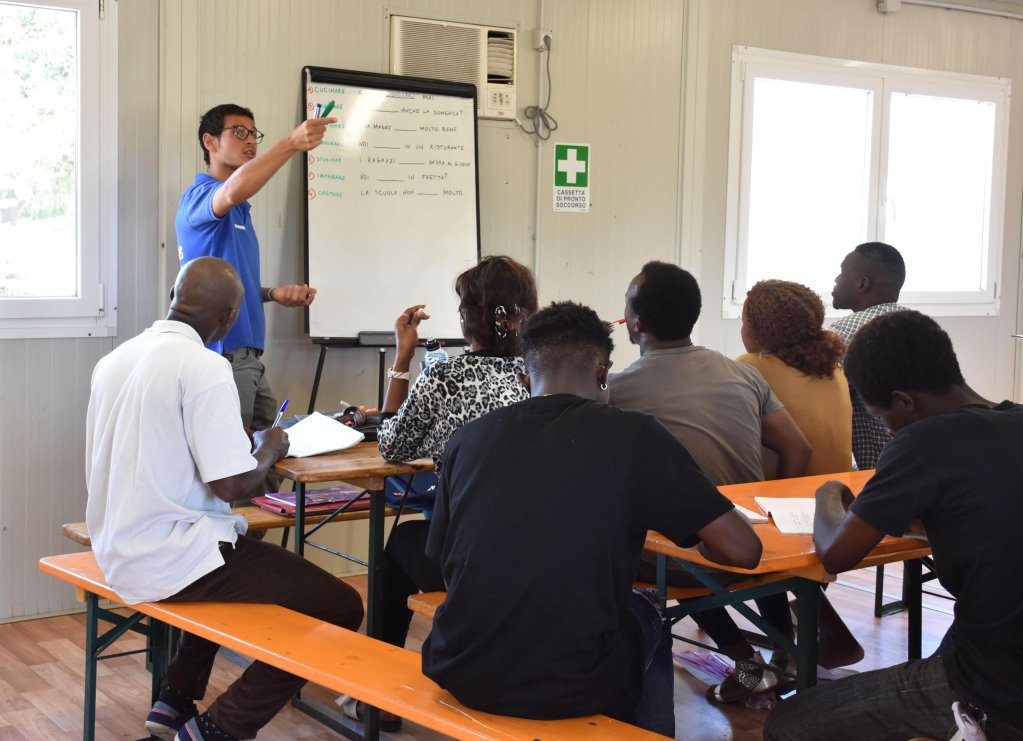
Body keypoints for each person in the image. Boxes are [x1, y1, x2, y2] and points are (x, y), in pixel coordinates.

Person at [421, 301, 763, 736]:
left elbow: (448, 561)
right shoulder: (636, 435)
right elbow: (744, 550)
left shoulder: (468, 439)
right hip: (573, 683)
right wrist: (687, 533)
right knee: (649, 617)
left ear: (525, 378)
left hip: (461, 667)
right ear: (604, 373)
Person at [85, 257, 364, 741]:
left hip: (116, 546)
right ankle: (217, 730)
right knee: (339, 606)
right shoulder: (206, 366)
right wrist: (271, 447)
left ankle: (173, 700)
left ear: (173, 297)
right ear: (230, 318)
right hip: (167, 555)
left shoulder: (115, 359)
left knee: (236, 555)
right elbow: (232, 487)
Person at [765, 310, 1023, 741]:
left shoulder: (925, 442)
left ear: (904, 401)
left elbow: (837, 553)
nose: (886, 430)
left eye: (881, 415)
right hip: (1001, 646)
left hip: (997, 684)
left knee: (789, 723)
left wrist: (828, 492)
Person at [609, 261, 811, 703]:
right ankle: (785, 647)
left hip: (688, 557)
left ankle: (746, 663)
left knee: (665, 539)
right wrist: (776, 519)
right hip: (755, 542)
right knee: (714, 527)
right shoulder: (742, 374)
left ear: (635, 322)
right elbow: (798, 449)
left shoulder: (618, 391)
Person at [359, 255, 537, 729]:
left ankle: (380, 692)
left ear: (466, 318)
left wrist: (402, 357)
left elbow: (392, 445)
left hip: (473, 563)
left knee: (400, 542)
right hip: (540, 559)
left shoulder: (446, 377)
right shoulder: (544, 378)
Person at [177, 103, 328, 431]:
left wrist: (273, 293)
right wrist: (291, 143)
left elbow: (227, 288)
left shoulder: (240, 209)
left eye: (254, 134)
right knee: (234, 461)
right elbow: (230, 190)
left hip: (248, 358)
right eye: (239, 132)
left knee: (270, 448)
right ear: (210, 142)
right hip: (222, 354)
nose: (250, 142)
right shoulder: (200, 198)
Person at [738, 279, 852, 476]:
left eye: (745, 322)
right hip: (839, 490)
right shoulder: (834, 367)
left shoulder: (750, 366)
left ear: (758, 332)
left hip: (789, 492)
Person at [830, 241, 908, 470]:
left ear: (862, 284)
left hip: (876, 468)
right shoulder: (915, 322)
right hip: (924, 455)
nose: (836, 279)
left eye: (842, 272)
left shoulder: (841, 334)